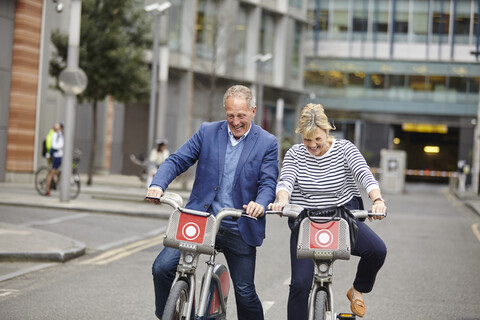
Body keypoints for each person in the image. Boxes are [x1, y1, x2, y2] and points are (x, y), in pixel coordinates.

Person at [145, 84, 279, 320]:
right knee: (162, 268)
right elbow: (177, 160)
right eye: (230, 115)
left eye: (241, 115)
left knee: (245, 292)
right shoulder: (208, 132)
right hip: (200, 222)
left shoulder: (267, 143)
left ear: (253, 111)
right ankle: (172, 313)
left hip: (238, 225)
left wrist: (260, 203)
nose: (235, 121)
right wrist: (158, 185)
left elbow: (268, 183)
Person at [268, 103, 387, 319]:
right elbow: (285, 181)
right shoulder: (295, 154)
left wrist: (377, 200)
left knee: (377, 250)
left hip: (341, 220)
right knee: (299, 285)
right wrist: (281, 201)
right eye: (306, 140)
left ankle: (357, 290)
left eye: (317, 139)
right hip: (306, 222)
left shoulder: (345, 149)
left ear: (327, 131)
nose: (312, 145)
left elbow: (364, 175)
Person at [45, 123, 64, 196]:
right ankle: (47, 189)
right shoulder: (55, 135)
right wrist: (61, 146)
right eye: (58, 127)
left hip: (60, 157)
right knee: (52, 174)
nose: (60, 128)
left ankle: (56, 184)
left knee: (59, 173)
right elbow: (55, 146)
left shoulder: (60, 135)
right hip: (56, 157)